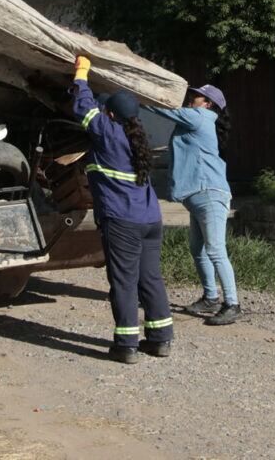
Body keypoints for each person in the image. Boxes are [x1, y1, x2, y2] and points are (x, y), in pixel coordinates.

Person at [72, 56, 173, 364]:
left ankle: (126, 345)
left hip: (122, 221)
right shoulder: (137, 137)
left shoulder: (107, 131)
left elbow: (82, 107)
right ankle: (160, 339)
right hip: (150, 220)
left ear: (111, 114)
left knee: (124, 282)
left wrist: (81, 73)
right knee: (150, 279)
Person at [146, 84, 241, 325]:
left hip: (208, 194)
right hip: (199, 195)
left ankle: (232, 303)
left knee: (215, 249)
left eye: (196, 96)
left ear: (207, 103)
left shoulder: (200, 116)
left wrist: (136, 95)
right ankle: (210, 297)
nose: (191, 98)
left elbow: (161, 109)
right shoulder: (200, 118)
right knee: (198, 249)